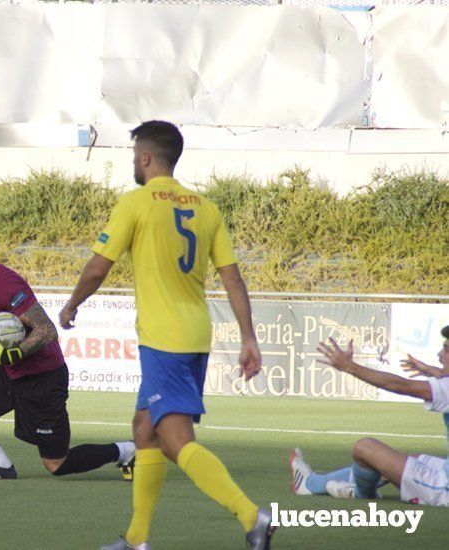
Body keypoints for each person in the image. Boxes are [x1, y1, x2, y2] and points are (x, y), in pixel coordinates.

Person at [58, 120, 274, 550]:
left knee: (176, 442)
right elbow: (232, 278)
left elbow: (99, 266)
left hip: (164, 340)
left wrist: (71, 303)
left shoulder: (136, 203)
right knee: (144, 429)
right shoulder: (206, 207)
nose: (133, 161)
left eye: (134, 153)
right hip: (193, 335)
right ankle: (137, 539)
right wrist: (249, 336)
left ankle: (253, 517)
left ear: (145, 157)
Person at [0, 217, 135, 480]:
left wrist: (16, 353)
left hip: (42, 377)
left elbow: (46, 330)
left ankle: (127, 451)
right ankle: (0, 465)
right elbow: (4, 327)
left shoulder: (3, 282)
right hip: (9, 371)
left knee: (56, 464)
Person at [289, 324, 449, 507]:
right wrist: (431, 370)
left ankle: (352, 492)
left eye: (446, 349)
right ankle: (315, 483)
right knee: (414, 458)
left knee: (364, 448)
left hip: (444, 489)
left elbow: (402, 386)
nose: (439, 355)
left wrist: (349, 367)